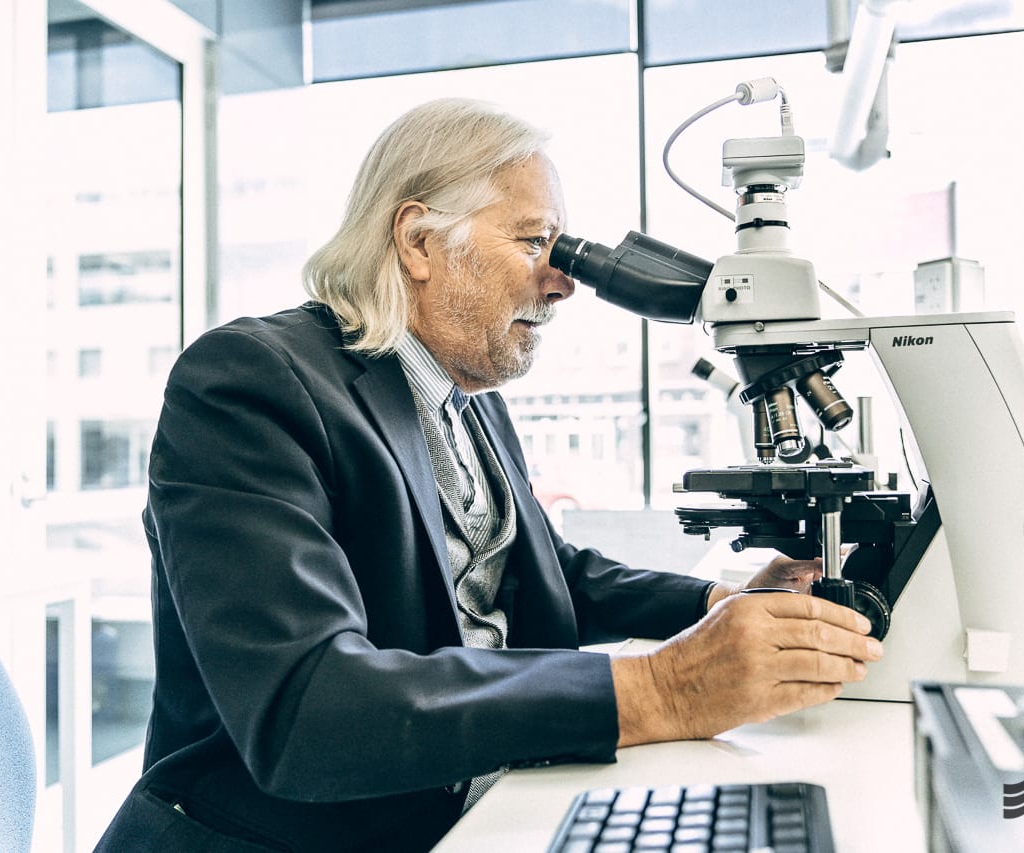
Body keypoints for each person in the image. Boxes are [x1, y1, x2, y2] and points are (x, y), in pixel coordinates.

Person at [94, 97, 882, 853]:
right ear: (417, 241)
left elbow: (546, 576)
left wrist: (726, 602)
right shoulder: (250, 382)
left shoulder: (465, 397)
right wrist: (661, 689)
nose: (565, 280)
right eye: (536, 241)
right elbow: (308, 707)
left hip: (485, 803)